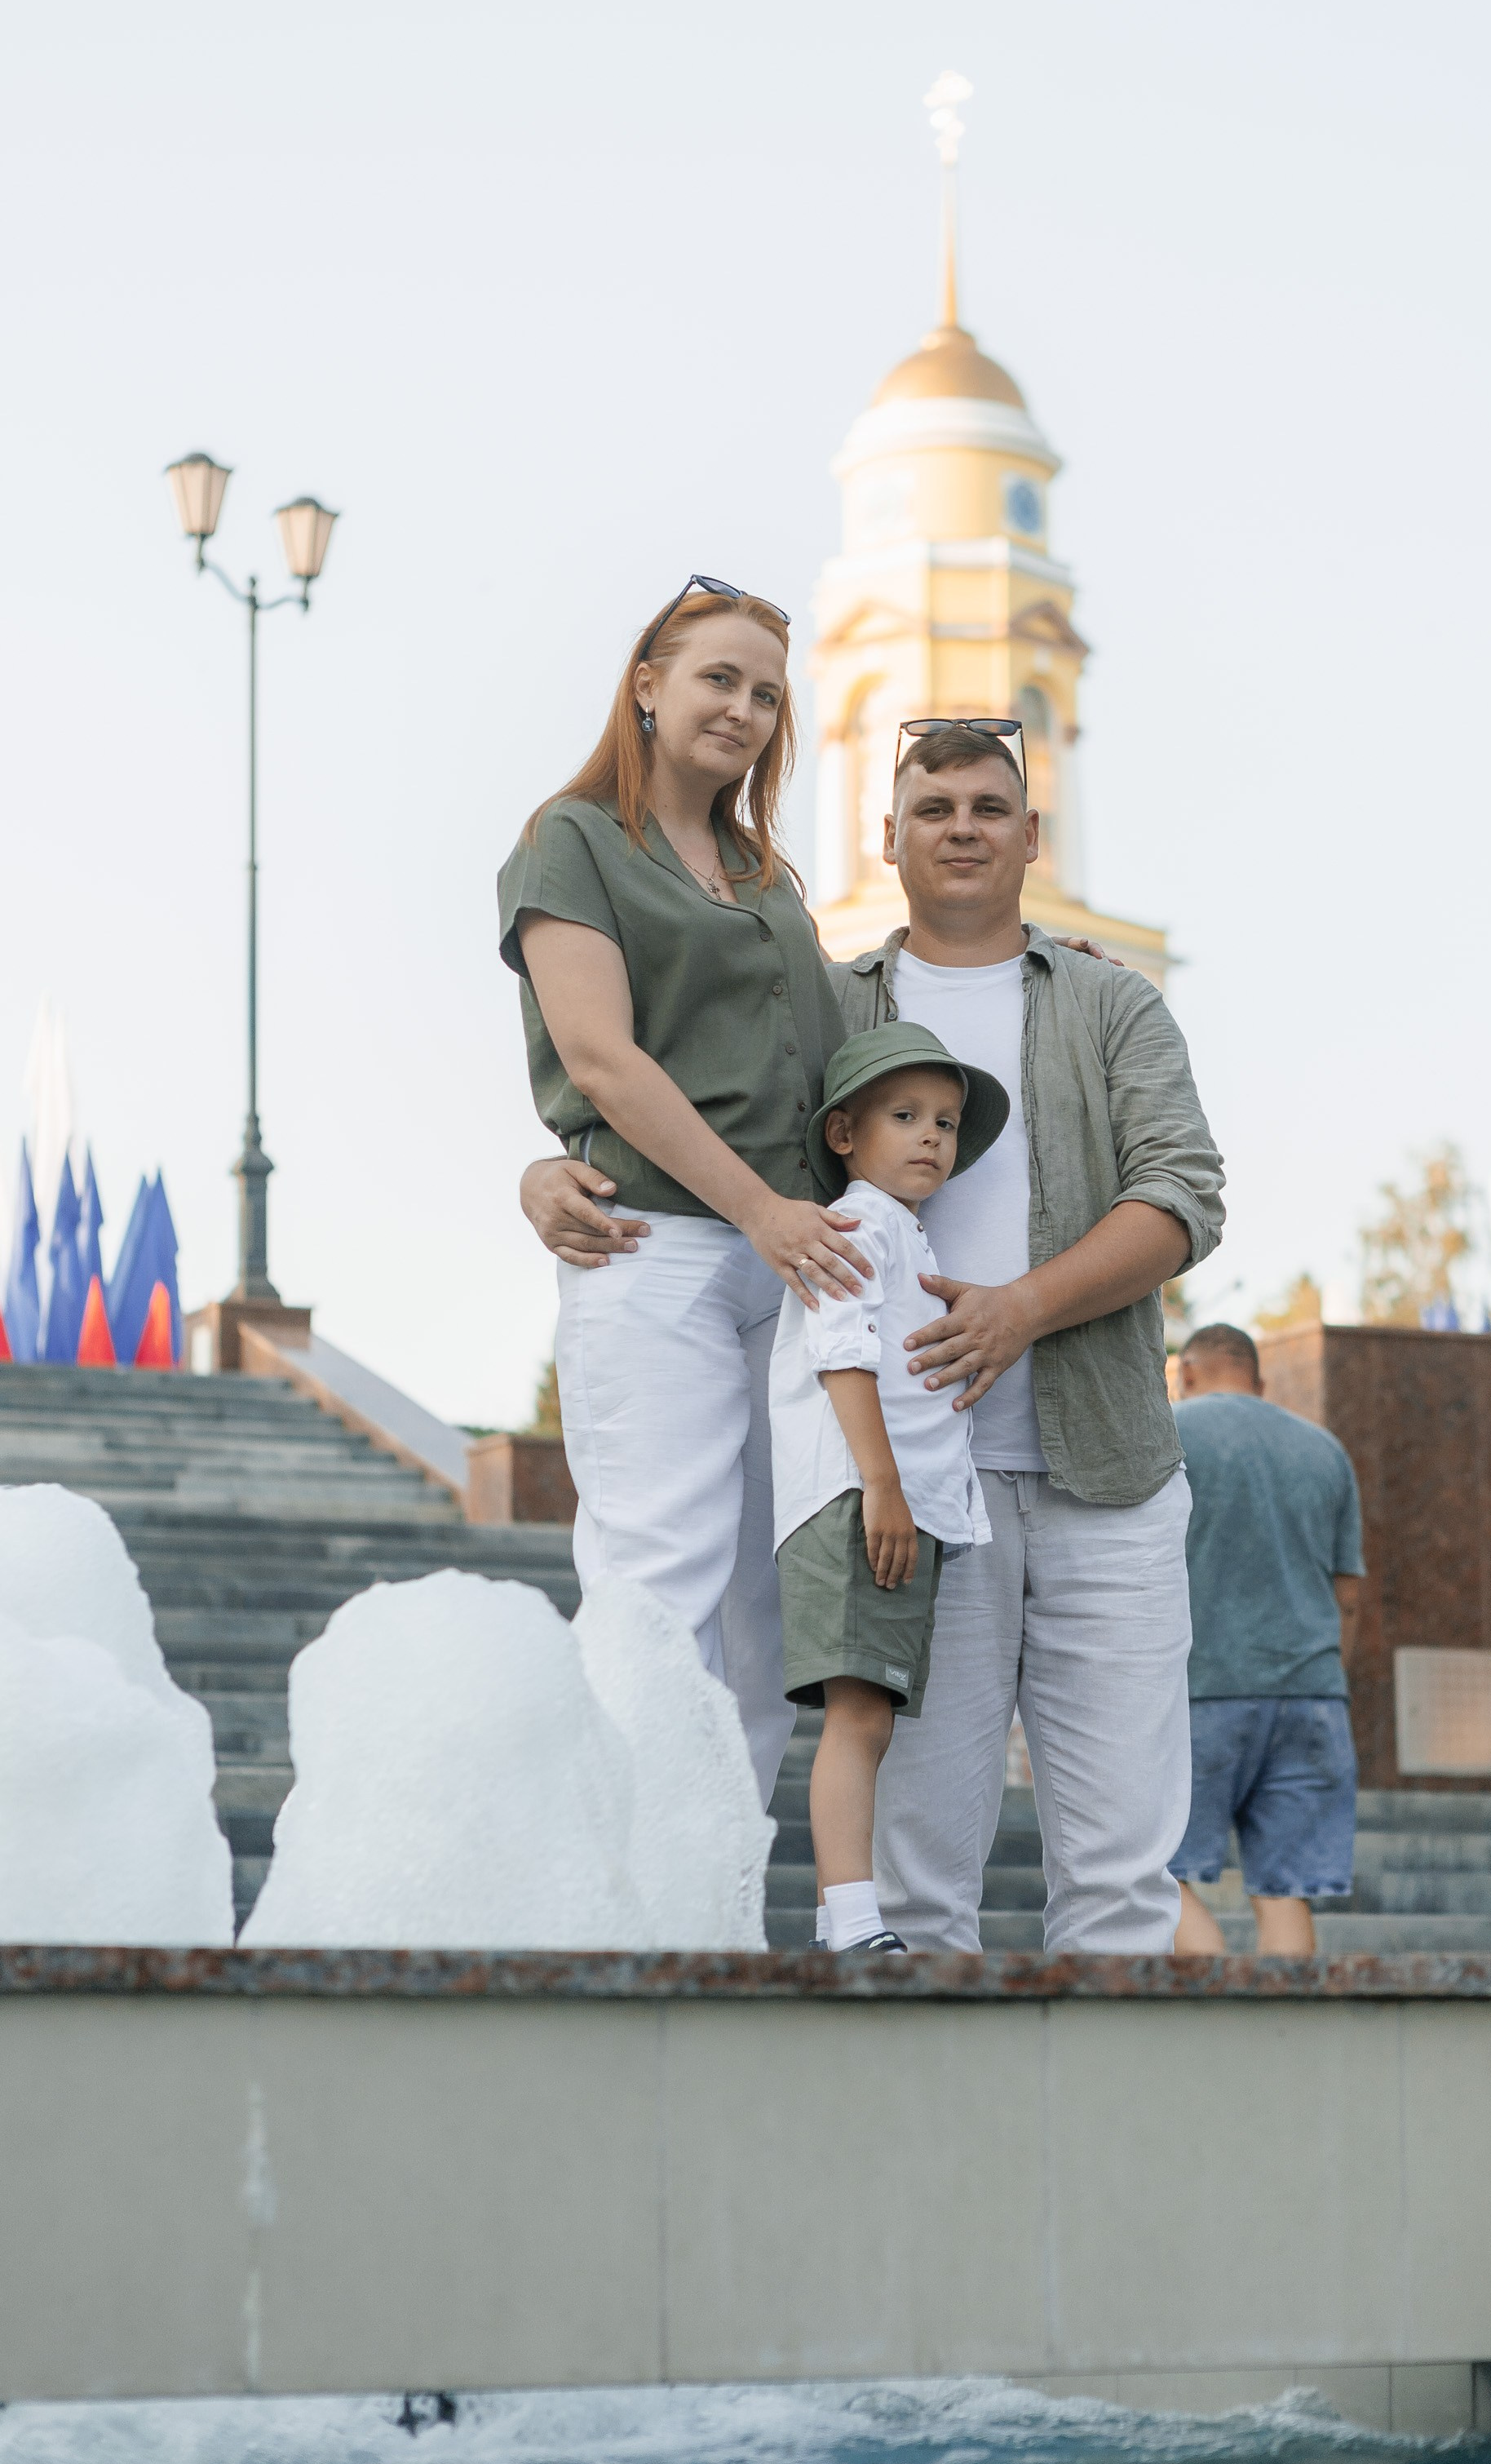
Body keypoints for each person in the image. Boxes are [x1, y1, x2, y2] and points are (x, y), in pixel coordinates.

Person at [523, 716, 1226, 1952]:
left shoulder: (1111, 1001)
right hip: (902, 1494)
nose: (961, 827)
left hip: (1103, 1474)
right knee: (920, 1878)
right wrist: (547, 1173)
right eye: (933, 807)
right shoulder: (824, 1005)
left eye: (987, 807)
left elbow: (1181, 1197)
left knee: (1122, 1876)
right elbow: (700, 1137)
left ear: (1028, 834)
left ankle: (1118, 2139)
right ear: (887, 836)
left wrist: (1020, 1309)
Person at [496, 575, 874, 1805]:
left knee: (766, 1599)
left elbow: (834, 1036)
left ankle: (712, 1897)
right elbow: (601, 1055)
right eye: (719, 678)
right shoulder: (575, 839)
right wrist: (757, 1209)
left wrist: (1029, 961)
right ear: (648, 686)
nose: (746, 709)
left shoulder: (769, 878)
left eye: (768, 693)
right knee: (660, 1577)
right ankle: (634, 1904)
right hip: (651, 1245)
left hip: (791, 1270)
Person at [770, 1023, 1007, 1953]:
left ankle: (846, 1922)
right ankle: (853, 1927)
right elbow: (841, 1352)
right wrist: (882, 1486)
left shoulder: (902, 1232)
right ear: (843, 1135)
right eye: (904, 1116)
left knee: (868, 1717)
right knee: (858, 1718)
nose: (930, 1138)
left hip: (893, 1500)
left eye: (945, 1123)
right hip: (861, 1499)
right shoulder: (859, 1224)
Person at [1166, 1323, 1363, 1960]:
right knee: (1285, 1891)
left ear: (1187, 1371)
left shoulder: (1172, 1432)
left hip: (1202, 1689)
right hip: (1312, 1696)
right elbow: (1349, 1593)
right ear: (1259, 1380)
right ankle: (1286, 2043)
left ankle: (1221, 2022)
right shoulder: (1325, 1449)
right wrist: (1331, 1680)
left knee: (1155, 1875)